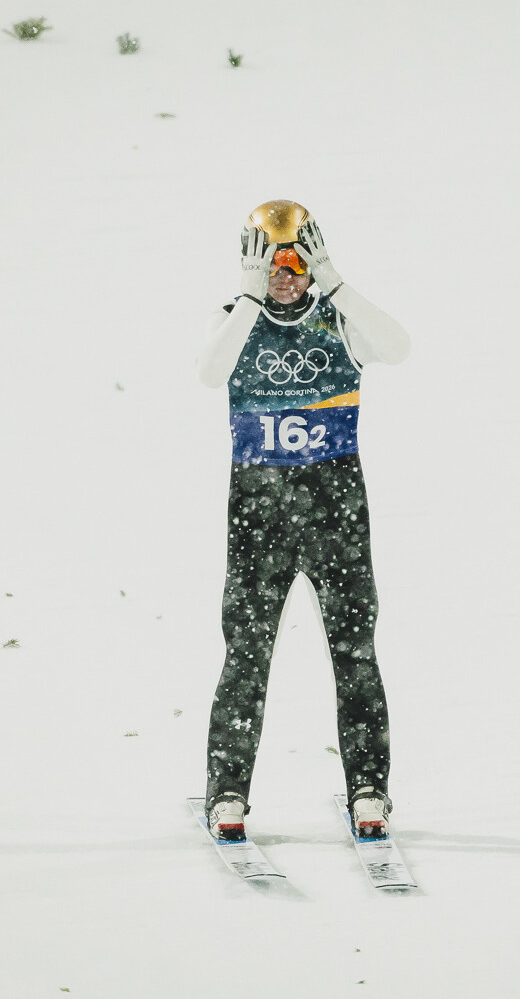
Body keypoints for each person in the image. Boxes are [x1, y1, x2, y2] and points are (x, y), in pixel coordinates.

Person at [195, 200, 410, 842]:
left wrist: (336, 281)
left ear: (313, 264)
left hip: (334, 509)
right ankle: (228, 794)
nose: (284, 277)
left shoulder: (340, 319)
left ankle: (368, 790)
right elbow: (209, 373)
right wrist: (247, 296)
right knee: (246, 653)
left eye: (294, 263)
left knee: (354, 652)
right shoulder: (234, 320)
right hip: (259, 515)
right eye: (270, 265)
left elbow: (398, 347)